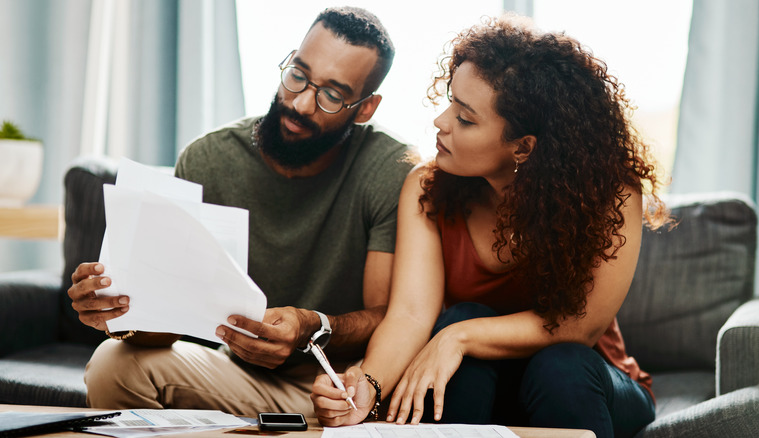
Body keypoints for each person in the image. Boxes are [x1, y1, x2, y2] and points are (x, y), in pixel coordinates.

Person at [311, 14, 670, 438]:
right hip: (483, 390)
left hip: (584, 385)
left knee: (559, 364)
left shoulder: (612, 193)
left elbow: (580, 326)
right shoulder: (426, 188)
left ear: (523, 147)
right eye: (450, 102)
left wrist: (459, 337)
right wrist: (365, 388)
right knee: (459, 323)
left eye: (465, 118)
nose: (440, 122)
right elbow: (410, 314)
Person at [67, 6, 414, 417]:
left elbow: (387, 317)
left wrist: (311, 327)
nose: (301, 103)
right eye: (298, 74)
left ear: (365, 108)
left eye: (333, 95)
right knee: (113, 364)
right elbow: (166, 328)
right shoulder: (209, 159)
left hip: (337, 385)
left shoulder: (389, 169)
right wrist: (122, 312)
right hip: (235, 374)